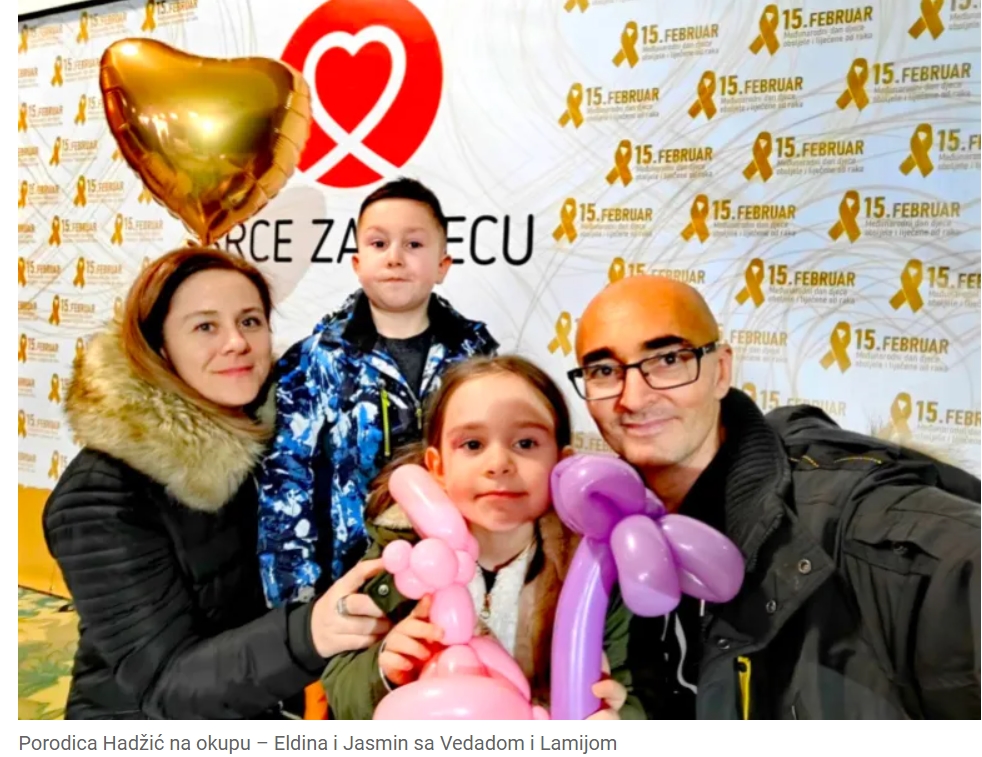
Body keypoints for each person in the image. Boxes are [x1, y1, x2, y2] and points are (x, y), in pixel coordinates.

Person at [569, 274, 981, 719]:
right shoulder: (607, 535)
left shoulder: (855, 521)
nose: (633, 398)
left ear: (720, 371)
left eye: (668, 359)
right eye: (604, 371)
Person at [43, 249, 391, 719]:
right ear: (160, 349)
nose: (236, 343)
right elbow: (165, 684)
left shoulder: (287, 443)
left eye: (249, 321)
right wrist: (311, 632)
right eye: (205, 326)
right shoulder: (100, 497)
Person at [321, 356, 644, 719]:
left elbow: (630, 688)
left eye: (526, 443)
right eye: (473, 444)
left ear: (562, 464)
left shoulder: (592, 569)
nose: (498, 464)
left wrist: (617, 716)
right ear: (438, 467)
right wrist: (384, 670)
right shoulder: (398, 556)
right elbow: (339, 684)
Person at [257, 178, 498, 608]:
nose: (395, 257)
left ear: (443, 265)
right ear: (357, 262)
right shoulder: (316, 361)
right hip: (353, 585)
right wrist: (298, 611)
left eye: (414, 244)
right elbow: (286, 485)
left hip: (458, 580)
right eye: (379, 243)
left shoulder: (475, 357)